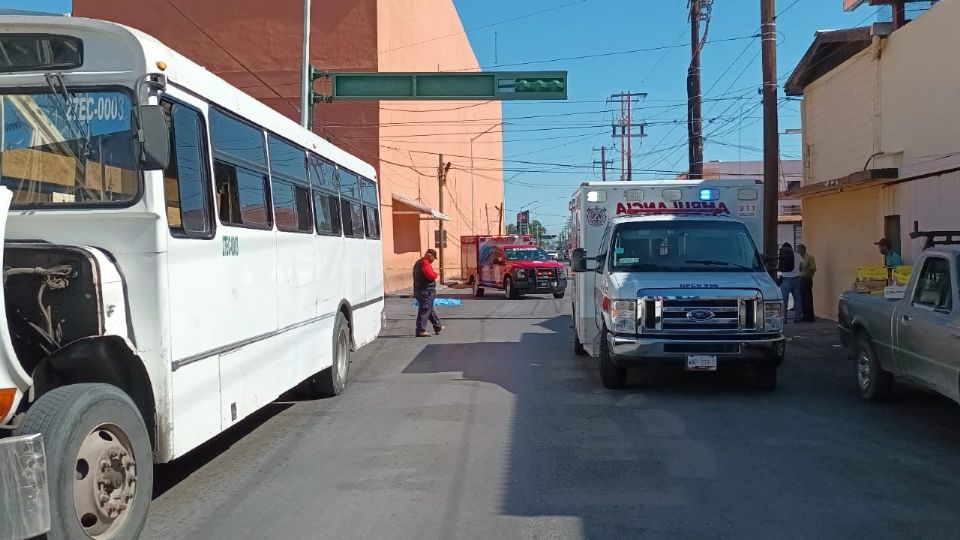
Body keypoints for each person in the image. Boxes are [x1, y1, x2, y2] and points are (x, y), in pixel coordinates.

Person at [413, 249, 442, 337]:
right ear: (430, 256)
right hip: (426, 291)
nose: (433, 260)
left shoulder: (418, 262)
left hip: (420, 290)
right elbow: (431, 276)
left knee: (429, 310)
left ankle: (438, 326)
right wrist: (436, 274)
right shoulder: (425, 263)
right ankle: (421, 330)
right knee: (425, 309)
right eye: (433, 258)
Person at [778, 242, 803, 323]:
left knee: (784, 300)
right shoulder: (798, 255)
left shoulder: (783, 255)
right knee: (797, 299)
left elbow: (779, 267)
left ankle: (784, 319)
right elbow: (801, 266)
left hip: (786, 279)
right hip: (797, 279)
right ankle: (798, 318)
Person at [797, 244, 817, 322]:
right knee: (802, 298)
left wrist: (810, 276)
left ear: (803, 249)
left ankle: (809, 316)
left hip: (807, 279)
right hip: (800, 279)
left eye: (799, 250)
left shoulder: (810, 258)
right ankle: (804, 315)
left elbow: (813, 268)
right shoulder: (799, 259)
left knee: (808, 298)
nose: (798, 251)